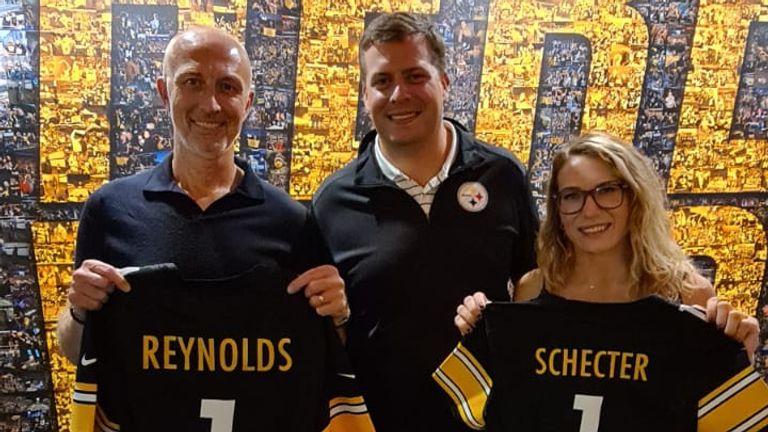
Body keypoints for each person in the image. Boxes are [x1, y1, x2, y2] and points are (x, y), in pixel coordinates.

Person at [56, 26, 355, 429]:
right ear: (165, 93)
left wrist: (338, 317)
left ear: (247, 103)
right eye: (192, 82)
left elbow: (323, 354)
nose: (211, 104)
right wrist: (78, 310)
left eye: (228, 87)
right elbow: (76, 350)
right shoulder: (110, 210)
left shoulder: (292, 221)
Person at [310, 12, 538, 432]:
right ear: (365, 95)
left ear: (444, 82)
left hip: (489, 421)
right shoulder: (332, 203)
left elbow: (537, 278)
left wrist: (508, 319)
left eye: (415, 76)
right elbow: (329, 330)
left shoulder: (503, 176)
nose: (399, 94)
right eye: (383, 81)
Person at [446, 131, 763, 430]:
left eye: (606, 191)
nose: (590, 210)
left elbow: (715, 418)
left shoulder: (686, 293)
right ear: (558, 209)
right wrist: (481, 328)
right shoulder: (534, 288)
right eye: (572, 196)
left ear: (635, 196)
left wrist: (737, 355)